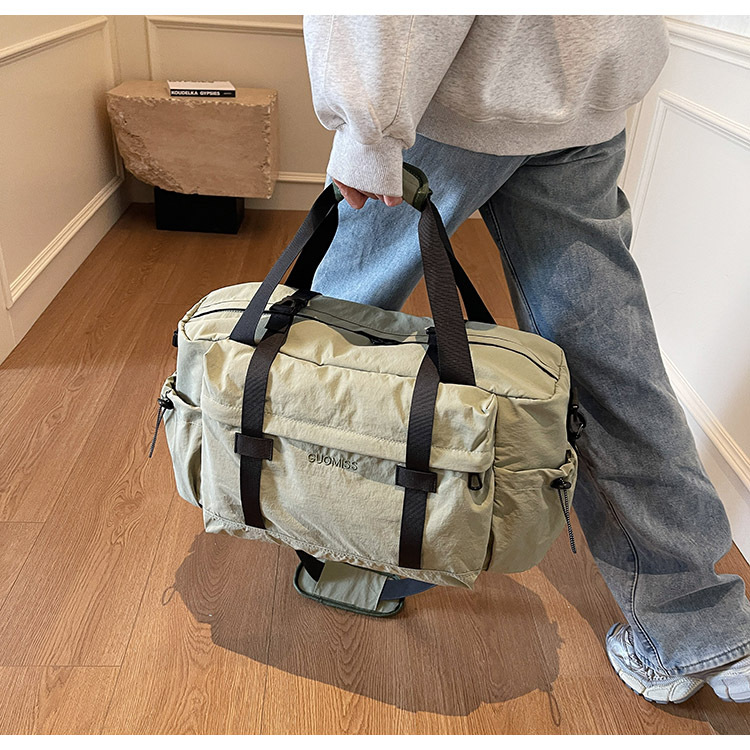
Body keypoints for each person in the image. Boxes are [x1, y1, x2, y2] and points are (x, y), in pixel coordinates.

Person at [301, 15, 750, 704]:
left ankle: (327, 540)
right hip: (583, 89)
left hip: (451, 94)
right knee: (610, 363)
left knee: (328, 335)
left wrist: (367, 124)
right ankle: (701, 625)